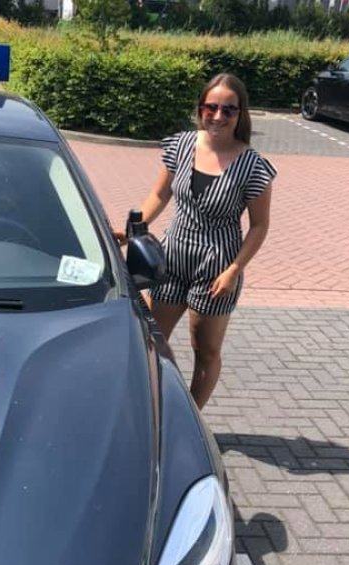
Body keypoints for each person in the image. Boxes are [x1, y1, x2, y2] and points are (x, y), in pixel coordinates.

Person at [119, 73, 276, 410]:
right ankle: (157, 407)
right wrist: (134, 229)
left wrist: (233, 270)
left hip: (217, 267)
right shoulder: (181, 146)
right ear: (201, 108)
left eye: (229, 110)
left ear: (241, 114)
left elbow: (259, 226)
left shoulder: (252, 166)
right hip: (172, 257)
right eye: (211, 107)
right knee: (151, 340)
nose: (218, 116)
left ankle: (191, 418)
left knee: (205, 351)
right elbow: (159, 194)